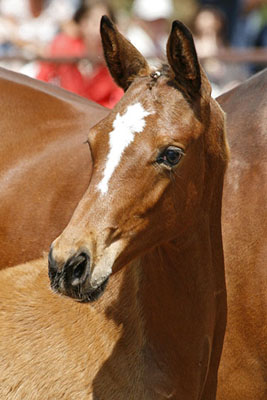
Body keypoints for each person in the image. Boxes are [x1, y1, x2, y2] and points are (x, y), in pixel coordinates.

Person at [37, 0, 123, 108]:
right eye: (94, 22)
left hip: (100, 118)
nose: (98, 30)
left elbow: (120, 96)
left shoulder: (116, 56)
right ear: (82, 22)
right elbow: (41, 79)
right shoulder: (63, 46)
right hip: (65, 112)